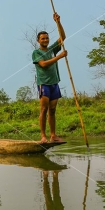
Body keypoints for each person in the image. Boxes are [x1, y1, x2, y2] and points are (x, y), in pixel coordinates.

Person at [32, 12, 67, 143]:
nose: (45, 40)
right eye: (43, 39)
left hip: (54, 83)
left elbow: (62, 37)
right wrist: (60, 56)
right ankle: (43, 137)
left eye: (47, 38)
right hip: (44, 84)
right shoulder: (37, 53)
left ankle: (53, 135)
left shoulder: (52, 49)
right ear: (38, 40)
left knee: (52, 110)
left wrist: (58, 22)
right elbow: (44, 64)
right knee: (44, 109)